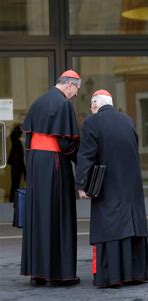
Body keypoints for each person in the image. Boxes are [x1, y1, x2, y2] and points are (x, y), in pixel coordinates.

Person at [75, 89, 148, 288]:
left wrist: (82, 184)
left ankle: (113, 276)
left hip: (107, 184)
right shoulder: (127, 120)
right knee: (130, 225)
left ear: (94, 105)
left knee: (110, 226)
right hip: (130, 183)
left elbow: (86, 156)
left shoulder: (92, 123)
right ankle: (135, 273)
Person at [21, 70, 81, 285]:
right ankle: (59, 274)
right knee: (59, 216)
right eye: (76, 90)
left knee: (39, 217)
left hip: (37, 164)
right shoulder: (63, 105)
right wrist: (81, 160)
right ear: (69, 85)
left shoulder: (37, 102)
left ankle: (37, 273)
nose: (75, 95)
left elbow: (28, 141)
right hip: (54, 164)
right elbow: (66, 144)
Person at [7, 113, 26, 203]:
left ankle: (27, 201)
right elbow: (14, 138)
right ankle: (12, 201)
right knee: (15, 182)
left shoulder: (29, 129)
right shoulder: (15, 130)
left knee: (29, 182)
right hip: (16, 161)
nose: (23, 120)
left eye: (24, 118)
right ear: (19, 119)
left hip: (27, 161)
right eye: (21, 118)